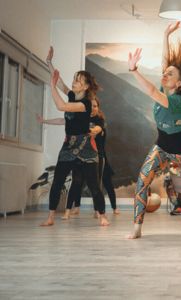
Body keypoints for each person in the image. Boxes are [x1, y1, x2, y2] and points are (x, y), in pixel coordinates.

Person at [127, 22, 181, 239]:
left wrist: (134, 70)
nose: (164, 75)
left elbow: (149, 90)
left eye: (170, 74)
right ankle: (137, 227)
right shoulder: (165, 88)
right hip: (163, 145)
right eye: (164, 73)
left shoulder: (176, 101)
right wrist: (165, 34)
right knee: (142, 179)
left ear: (178, 83)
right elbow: (165, 61)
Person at [40, 47, 109, 226]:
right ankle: (50, 217)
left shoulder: (85, 103)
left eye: (78, 81)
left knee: (94, 185)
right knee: (57, 182)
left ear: (85, 86)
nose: (74, 83)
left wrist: (52, 86)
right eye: (74, 79)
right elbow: (60, 81)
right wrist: (49, 63)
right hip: (69, 146)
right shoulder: (72, 95)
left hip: (85, 146)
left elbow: (61, 106)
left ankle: (102, 216)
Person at [37, 98, 120, 218]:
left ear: (98, 108)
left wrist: (93, 131)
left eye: (96, 106)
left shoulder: (99, 120)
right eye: (91, 106)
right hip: (79, 155)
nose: (93, 108)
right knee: (76, 182)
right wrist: (44, 121)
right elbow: (63, 120)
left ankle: (100, 211)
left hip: (97, 157)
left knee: (96, 184)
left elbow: (98, 128)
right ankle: (68, 210)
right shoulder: (82, 118)